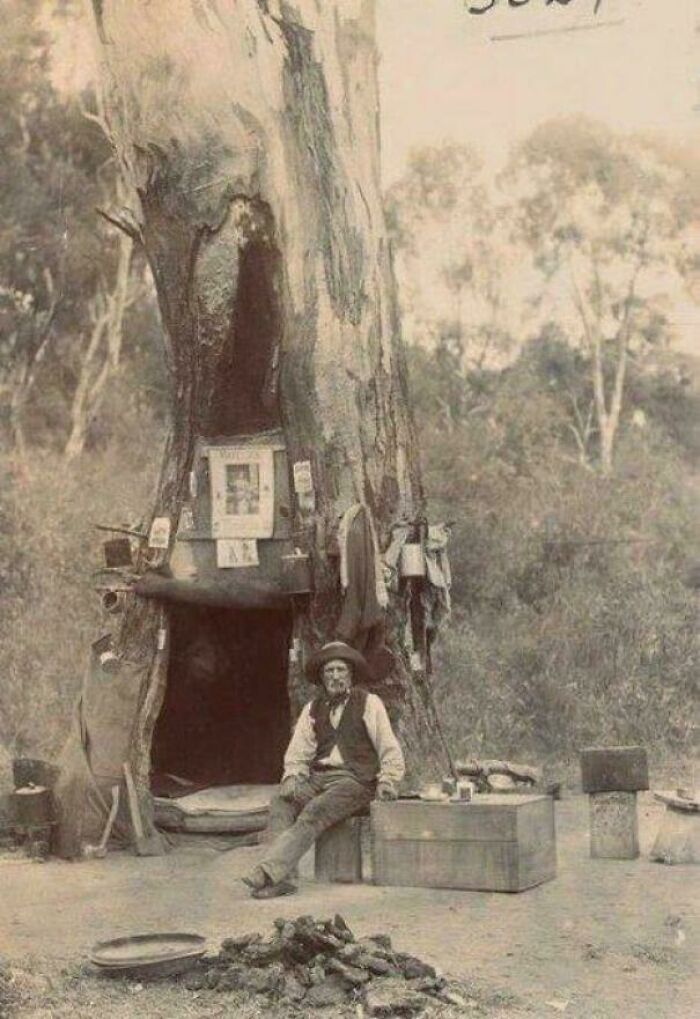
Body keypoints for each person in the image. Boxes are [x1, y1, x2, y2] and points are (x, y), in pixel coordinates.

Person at [242, 640, 404, 898]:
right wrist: (292, 776)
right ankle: (284, 878)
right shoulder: (312, 708)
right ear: (322, 676)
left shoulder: (369, 703)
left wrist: (388, 780)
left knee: (315, 810)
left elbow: (388, 747)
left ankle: (267, 871)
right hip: (319, 777)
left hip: (356, 781)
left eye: (341, 670)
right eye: (329, 671)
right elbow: (299, 750)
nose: (335, 676)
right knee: (281, 803)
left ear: (350, 674)